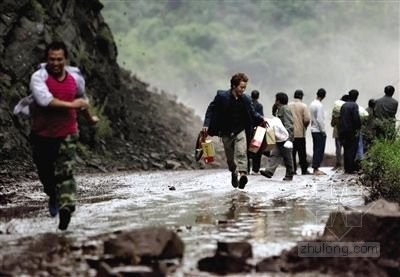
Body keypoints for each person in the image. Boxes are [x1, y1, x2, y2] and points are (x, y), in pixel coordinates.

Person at [28, 41, 98, 230]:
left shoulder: (75, 78)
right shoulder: (38, 78)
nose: (56, 63)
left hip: (67, 132)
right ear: (47, 59)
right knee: (45, 173)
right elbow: (44, 100)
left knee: (64, 172)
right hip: (42, 134)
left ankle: (66, 207)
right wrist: (71, 105)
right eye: (52, 59)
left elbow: (82, 100)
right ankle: (53, 195)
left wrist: (90, 119)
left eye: (59, 59)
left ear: (65, 59)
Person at [202, 73, 265, 189]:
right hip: (225, 132)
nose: (243, 90)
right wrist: (206, 124)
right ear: (234, 86)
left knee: (242, 152)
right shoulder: (221, 96)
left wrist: (262, 119)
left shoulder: (246, 99)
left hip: (240, 130)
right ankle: (234, 172)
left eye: (244, 87)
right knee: (230, 159)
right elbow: (211, 109)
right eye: (241, 87)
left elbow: (252, 113)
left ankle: (242, 175)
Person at [260, 92, 295, 181]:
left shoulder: (285, 109)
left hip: (285, 137)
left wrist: (289, 137)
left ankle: (289, 174)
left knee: (287, 157)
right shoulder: (280, 109)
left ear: (278, 101)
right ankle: (269, 171)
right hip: (280, 137)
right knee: (274, 154)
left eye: (276, 100)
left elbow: (289, 123)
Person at [288, 89, 310, 175]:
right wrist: (305, 126)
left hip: (290, 133)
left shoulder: (288, 105)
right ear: (301, 96)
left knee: (292, 153)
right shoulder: (303, 106)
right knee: (302, 153)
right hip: (300, 133)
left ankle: (293, 170)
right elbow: (307, 119)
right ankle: (304, 170)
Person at [339, 89, 361, 174]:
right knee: (352, 149)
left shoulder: (343, 105)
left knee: (346, 149)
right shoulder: (354, 105)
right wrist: (358, 127)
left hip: (343, 130)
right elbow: (356, 119)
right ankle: (351, 168)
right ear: (356, 97)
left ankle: (346, 167)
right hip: (351, 131)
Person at [309, 88, 327, 176]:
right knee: (319, 149)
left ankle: (315, 168)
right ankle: (316, 168)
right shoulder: (319, 105)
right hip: (318, 130)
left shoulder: (312, 104)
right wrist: (323, 131)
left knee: (315, 148)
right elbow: (320, 119)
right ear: (323, 96)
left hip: (313, 129)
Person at [330, 94, 350, 170]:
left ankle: (339, 164)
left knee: (338, 149)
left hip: (337, 132)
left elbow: (332, 123)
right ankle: (347, 164)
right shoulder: (348, 108)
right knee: (347, 148)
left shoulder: (336, 109)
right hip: (346, 131)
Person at [248, 90, 264, 174]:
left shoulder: (248, 104)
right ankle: (255, 169)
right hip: (258, 130)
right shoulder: (259, 105)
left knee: (247, 149)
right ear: (258, 96)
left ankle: (246, 169)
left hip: (248, 128)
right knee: (257, 149)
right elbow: (261, 117)